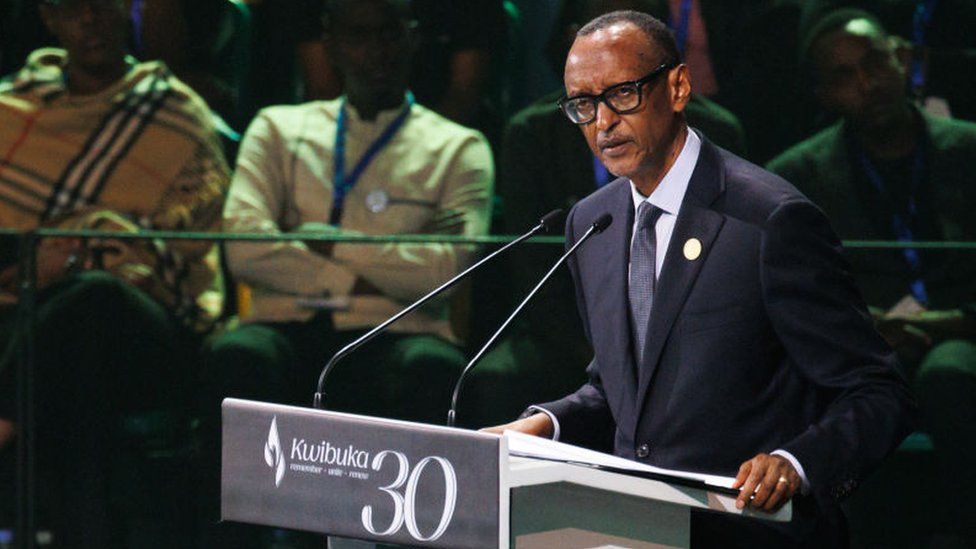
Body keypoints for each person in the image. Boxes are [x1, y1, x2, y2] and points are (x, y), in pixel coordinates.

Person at [488, 10, 916, 546]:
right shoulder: (592, 222)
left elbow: (878, 391)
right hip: (629, 528)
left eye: (622, 94)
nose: (603, 122)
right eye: (583, 104)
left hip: (746, 529)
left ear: (678, 86)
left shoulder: (769, 221)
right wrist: (544, 425)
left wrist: (796, 463)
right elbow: (621, 391)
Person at [0, 0, 229, 543]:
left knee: (93, 299)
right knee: (70, 369)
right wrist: (39, 266)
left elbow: (189, 249)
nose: (91, 21)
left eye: (104, 7)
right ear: (49, 20)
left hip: (138, 324)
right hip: (24, 311)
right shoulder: (13, 108)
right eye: (73, 10)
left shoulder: (175, 113)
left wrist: (78, 257)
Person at [768, 9, 976, 545]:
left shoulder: (967, 149)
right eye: (843, 76)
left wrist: (955, 322)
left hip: (962, 331)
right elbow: (798, 294)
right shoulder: (799, 174)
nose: (866, 84)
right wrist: (866, 327)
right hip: (863, 342)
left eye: (874, 64)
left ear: (902, 60)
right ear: (823, 93)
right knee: (843, 385)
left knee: (950, 373)